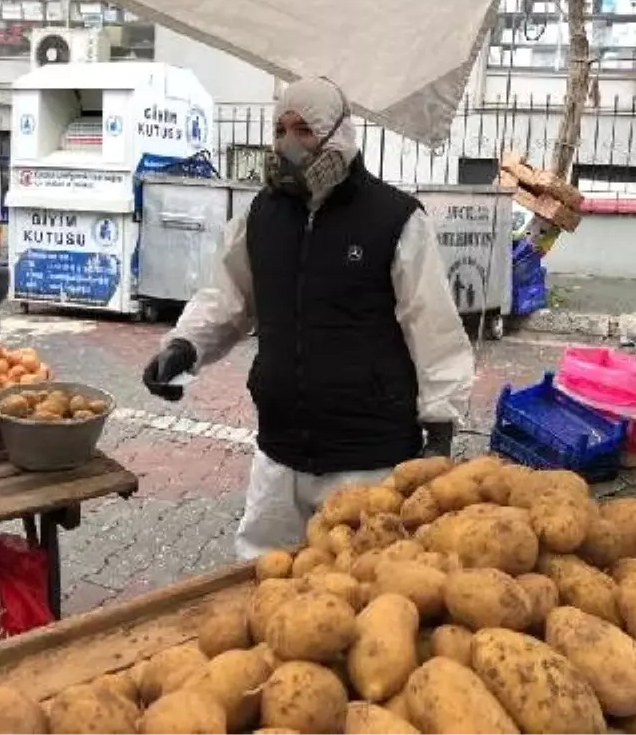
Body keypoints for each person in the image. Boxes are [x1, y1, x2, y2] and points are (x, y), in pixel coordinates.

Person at [143, 77, 475, 559]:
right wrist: (185, 347)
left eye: (304, 129)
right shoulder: (262, 215)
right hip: (280, 454)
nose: (289, 143)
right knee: (262, 577)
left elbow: (434, 328)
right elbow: (227, 297)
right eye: (281, 129)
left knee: (363, 591)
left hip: (367, 457)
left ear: (340, 134)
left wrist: (441, 426)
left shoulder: (396, 219)